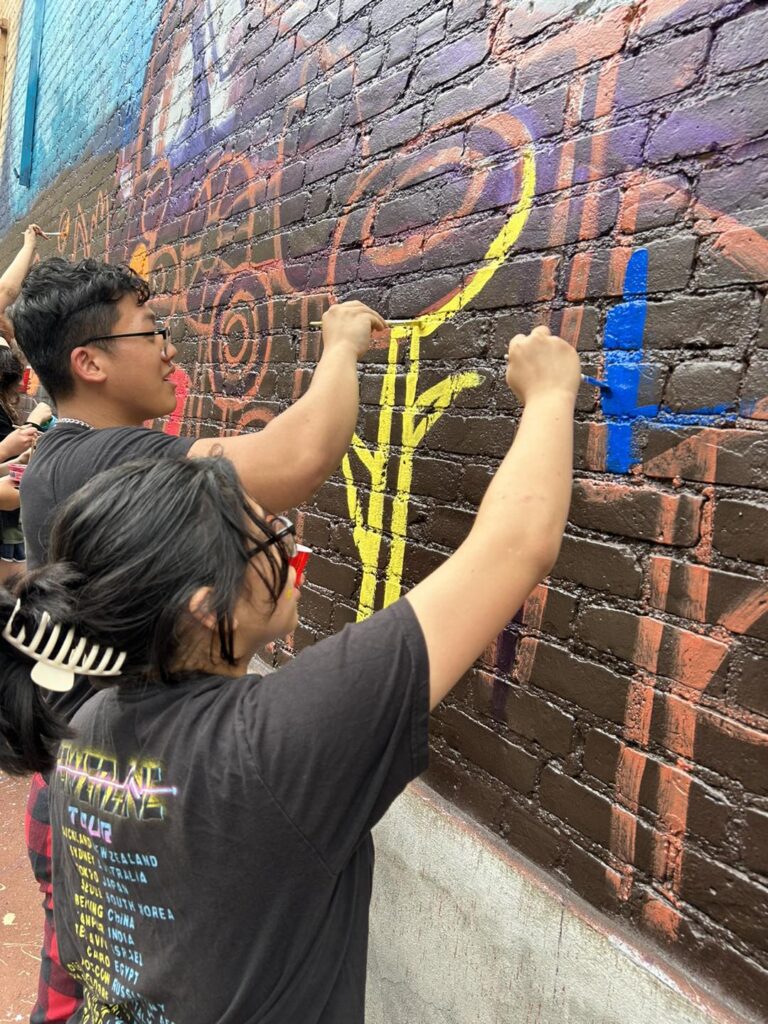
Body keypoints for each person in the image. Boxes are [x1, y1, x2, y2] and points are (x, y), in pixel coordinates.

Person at [0, 326, 580, 1022]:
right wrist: (550, 393)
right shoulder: (275, 742)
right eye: (268, 535)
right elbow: (514, 546)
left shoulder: (87, 721)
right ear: (207, 605)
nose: (292, 545)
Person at [8, 254, 385, 1023]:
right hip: (132, 789)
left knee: (102, 989)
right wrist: (341, 345)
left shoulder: (57, 457)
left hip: (89, 777)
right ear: (91, 363)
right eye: (151, 331)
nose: (170, 347)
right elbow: (293, 458)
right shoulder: (104, 456)